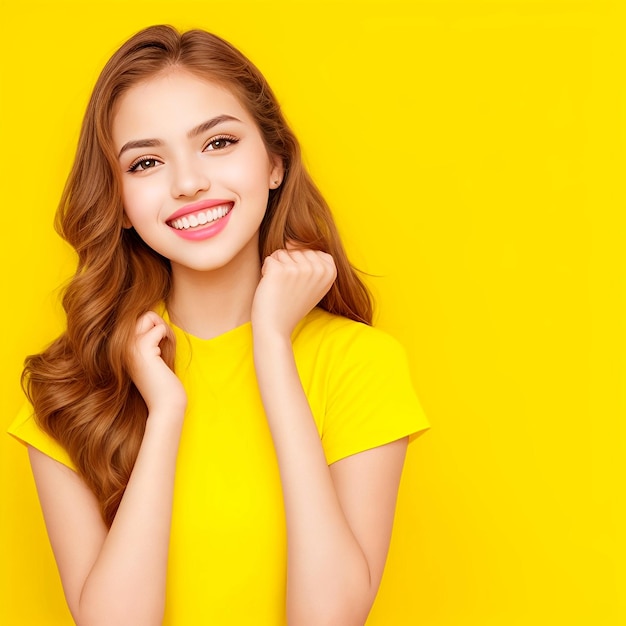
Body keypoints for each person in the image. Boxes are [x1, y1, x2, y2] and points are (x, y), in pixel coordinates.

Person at [8, 24, 429, 626]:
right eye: (147, 161)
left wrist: (272, 346)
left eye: (218, 143)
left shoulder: (359, 364)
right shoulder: (73, 386)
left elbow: (328, 619)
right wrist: (166, 411)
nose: (187, 183)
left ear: (275, 162)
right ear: (120, 204)